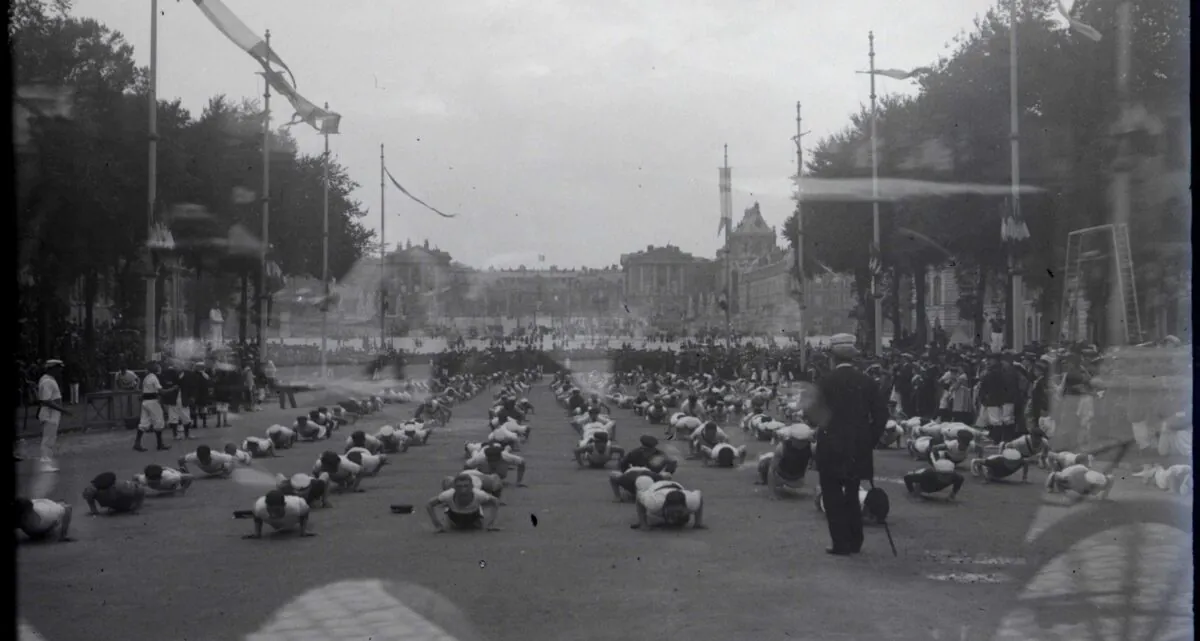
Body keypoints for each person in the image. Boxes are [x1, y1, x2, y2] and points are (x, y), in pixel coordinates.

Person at [811, 334, 887, 556]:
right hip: (858, 447)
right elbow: (881, 415)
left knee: (832, 495)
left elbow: (813, 415)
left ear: (832, 358)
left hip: (831, 446)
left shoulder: (825, 382)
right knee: (852, 492)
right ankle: (856, 540)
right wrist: (869, 440)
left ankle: (840, 543)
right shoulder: (867, 382)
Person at [425, 474, 501, 532]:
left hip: (474, 517)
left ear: (471, 486)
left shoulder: (479, 494)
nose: (463, 490)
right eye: (459, 486)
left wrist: (491, 523)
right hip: (454, 517)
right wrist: (437, 524)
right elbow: (429, 504)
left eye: (466, 486)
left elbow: (495, 501)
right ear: (454, 487)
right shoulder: (448, 494)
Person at [631, 476, 705, 530]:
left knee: (676, 523)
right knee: (642, 480)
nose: (676, 513)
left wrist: (698, 523)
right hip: (655, 487)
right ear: (665, 507)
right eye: (673, 512)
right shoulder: (654, 503)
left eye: (679, 511)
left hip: (677, 486)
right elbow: (638, 496)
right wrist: (643, 523)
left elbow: (699, 494)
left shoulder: (692, 502)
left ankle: (675, 519)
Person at [36, 359, 69, 473]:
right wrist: (63, 410)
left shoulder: (49, 379)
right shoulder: (48, 381)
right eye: (58, 368)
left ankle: (47, 461)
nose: (60, 371)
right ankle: (45, 463)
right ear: (52, 369)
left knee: (50, 438)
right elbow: (46, 400)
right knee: (48, 439)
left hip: (52, 414)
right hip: (49, 413)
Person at [244, 490, 315, 539]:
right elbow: (256, 516)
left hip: (292, 518)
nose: (273, 514)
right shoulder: (259, 507)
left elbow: (306, 511)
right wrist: (257, 533)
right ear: (266, 506)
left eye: (277, 510)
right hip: (275, 521)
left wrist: (303, 531)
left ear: (284, 505)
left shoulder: (298, 506)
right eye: (270, 510)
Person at [135, 362, 170, 453]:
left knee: (144, 422)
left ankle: (137, 443)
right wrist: (173, 389)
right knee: (159, 422)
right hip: (152, 401)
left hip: (145, 402)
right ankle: (159, 444)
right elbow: (161, 391)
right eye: (158, 366)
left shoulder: (147, 377)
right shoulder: (154, 377)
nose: (159, 368)